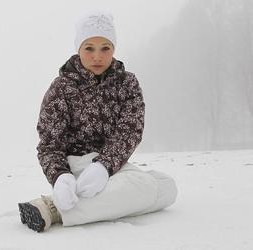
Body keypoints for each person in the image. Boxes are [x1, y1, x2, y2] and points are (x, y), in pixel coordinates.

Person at [18, 10, 177, 232]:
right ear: (78, 48)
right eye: (89, 48)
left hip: (110, 165)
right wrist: (60, 176)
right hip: (75, 166)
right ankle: (52, 208)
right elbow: (49, 144)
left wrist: (104, 166)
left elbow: (129, 130)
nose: (97, 57)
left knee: (167, 186)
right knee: (146, 188)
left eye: (105, 48)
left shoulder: (127, 83)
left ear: (114, 48)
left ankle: (56, 206)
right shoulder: (61, 88)